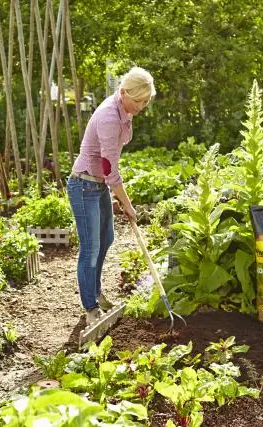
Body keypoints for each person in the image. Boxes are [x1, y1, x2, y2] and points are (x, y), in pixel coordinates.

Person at [66, 66, 156, 326]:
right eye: (139, 100)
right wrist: (126, 203)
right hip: (84, 185)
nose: (142, 106)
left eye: (146, 101)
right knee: (90, 248)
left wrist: (118, 197)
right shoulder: (108, 116)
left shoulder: (124, 109)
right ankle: (90, 307)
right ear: (125, 92)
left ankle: (94, 291)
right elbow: (109, 168)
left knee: (107, 238)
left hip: (97, 185)